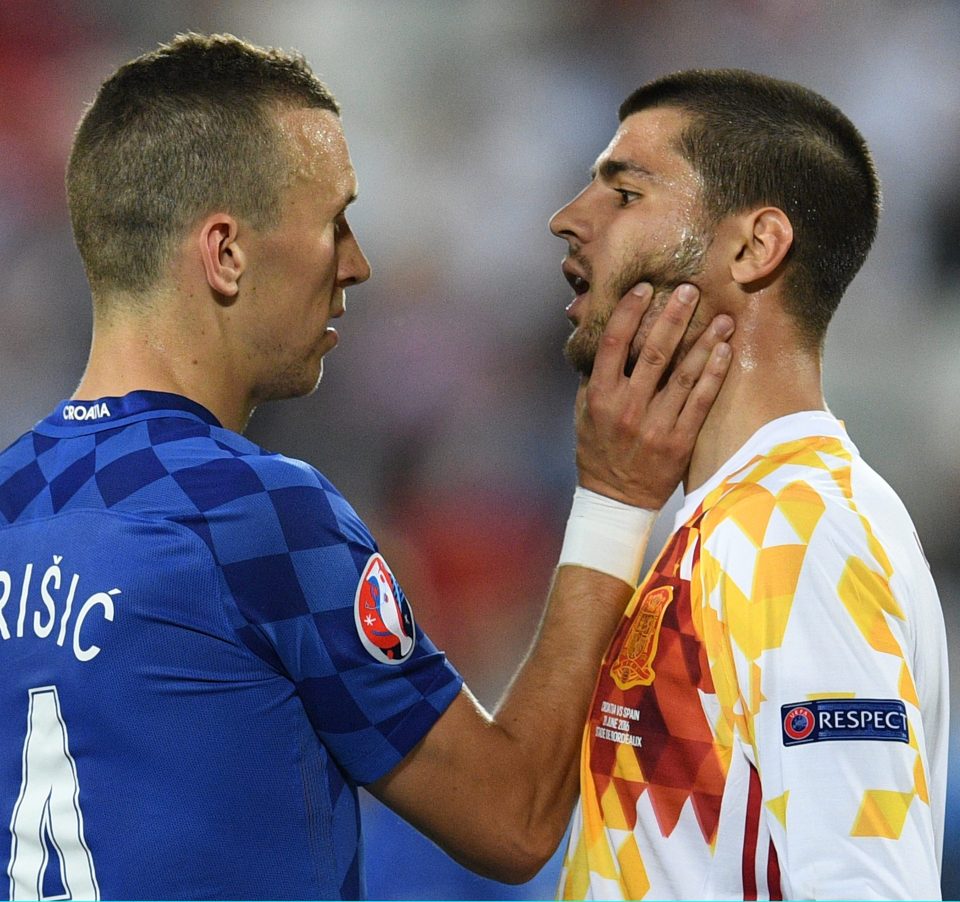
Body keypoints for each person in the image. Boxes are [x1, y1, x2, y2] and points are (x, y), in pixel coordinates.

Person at [0, 34, 735, 901]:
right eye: (334, 222)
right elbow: (513, 817)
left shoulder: (13, 501)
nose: (358, 263)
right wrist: (616, 498)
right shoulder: (255, 516)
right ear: (225, 252)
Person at [550, 68, 949, 900]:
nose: (568, 220)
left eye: (623, 194)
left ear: (754, 247)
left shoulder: (807, 531)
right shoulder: (720, 522)